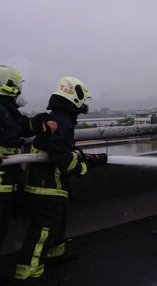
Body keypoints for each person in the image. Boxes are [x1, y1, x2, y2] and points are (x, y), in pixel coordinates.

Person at [14, 77, 108, 285]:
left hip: (49, 186)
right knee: (43, 231)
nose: (84, 106)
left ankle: (55, 254)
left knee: (57, 223)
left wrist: (76, 155)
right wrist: (82, 167)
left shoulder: (58, 118)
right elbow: (59, 156)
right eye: (82, 101)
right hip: (46, 188)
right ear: (75, 98)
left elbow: (59, 150)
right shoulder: (63, 123)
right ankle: (28, 274)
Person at [0, 65, 56, 286]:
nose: (20, 92)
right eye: (17, 88)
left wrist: (39, 122)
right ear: (7, 87)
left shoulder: (6, 113)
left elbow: (22, 128)